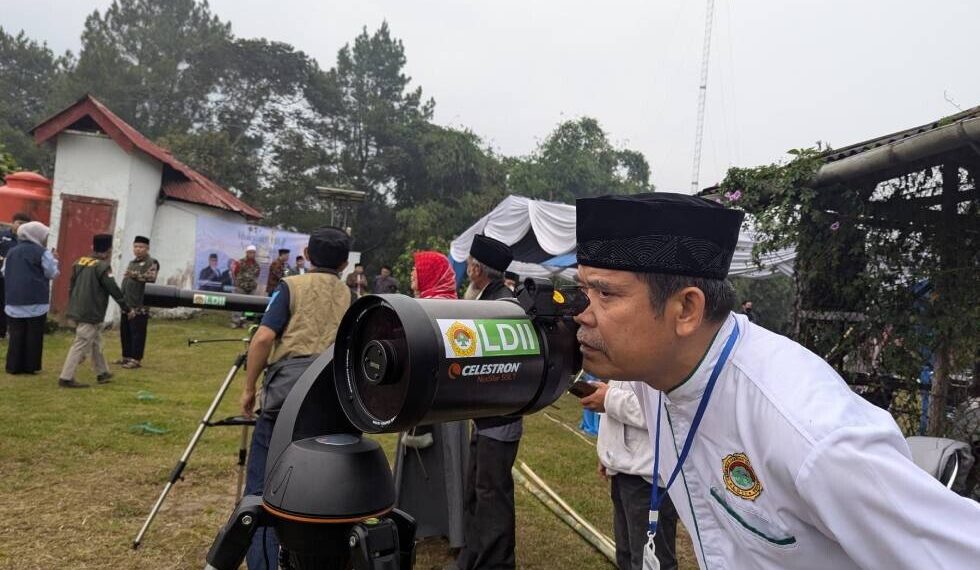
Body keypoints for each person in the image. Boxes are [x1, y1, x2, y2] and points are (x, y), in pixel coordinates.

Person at [572, 193, 980, 569]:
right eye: (582, 290)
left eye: (605, 295)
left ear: (686, 310)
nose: (580, 313)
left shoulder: (812, 435)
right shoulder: (658, 374)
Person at [239, 226, 353, 569]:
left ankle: (264, 561)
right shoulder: (351, 296)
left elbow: (262, 339)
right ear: (345, 264)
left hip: (285, 398)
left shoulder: (290, 287)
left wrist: (248, 388)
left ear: (306, 254)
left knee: (263, 486)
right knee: (326, 487)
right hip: (333, 400)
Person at [394, 251, 468, 550]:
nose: (412, 275)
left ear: (429, 275)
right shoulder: (433, 306)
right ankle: (436, 524)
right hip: (436, 400)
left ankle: (444, 526)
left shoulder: (432, 309)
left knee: (446, 463)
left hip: (439, 400)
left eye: (416, 270)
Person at [456, 234, 521, 570]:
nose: (468, 270)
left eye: (469, 265)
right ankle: (473, 556)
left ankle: (496, 562)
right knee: (475, 491)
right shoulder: (491, 298)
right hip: (485, 415)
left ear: (477, 269)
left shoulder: (500, 305)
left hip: (500, 416)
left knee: (492, 494)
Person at [580, 378, 678, 570]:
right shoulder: (629, 356)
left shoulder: (664, 358)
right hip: (625, 470)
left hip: (650, 478)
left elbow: (665, 411)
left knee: (651, 562)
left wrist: (608, 399)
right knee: (626, 555)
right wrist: (608, 448)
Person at [58, 234, 132, 388]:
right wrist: (126, 307)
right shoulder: (103, 266)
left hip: (78, 308)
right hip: (91, 311)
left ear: (93, 246)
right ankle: (66, 377)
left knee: (96, 341)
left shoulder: (79, 262)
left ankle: (102, 372)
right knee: (81, 343)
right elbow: (113, 288)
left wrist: (72, 305)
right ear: (109, 250)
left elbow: (71, 285)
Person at [3, 221, 58, 374]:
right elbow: (51, 273)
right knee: (33, 335)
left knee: (16, 334)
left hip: (14, 298)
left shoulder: (11, 252)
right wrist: (55, 259)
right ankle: (30, 366)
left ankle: (13, 366)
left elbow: (4, 271)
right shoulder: (42, 252)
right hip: (35, 299)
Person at [117, 236, 159, 369]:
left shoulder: (152, 262)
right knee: (125, 331)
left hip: (140, 304)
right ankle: (126, 356)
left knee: (137, 332)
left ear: (147, 249)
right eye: (136, 247)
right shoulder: (132, 262)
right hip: (127, 303)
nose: (138, 249)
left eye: (141, 247)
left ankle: (136, 359)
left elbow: (151, 278)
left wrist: (134, 275)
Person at [0, 212, 32, 340]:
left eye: (25, 224)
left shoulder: (27, 240)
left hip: (17, 277)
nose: (21, 226)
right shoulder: (3, 236)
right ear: (12, 223)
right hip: (1, 276)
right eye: (19, 223)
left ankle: (11, 330)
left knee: (12, 304)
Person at [231, 245, 261, 328]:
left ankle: (244, 322)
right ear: (247, 253)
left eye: (253, 253)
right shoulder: (240, 262)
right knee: (237, 305)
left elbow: (257, 275)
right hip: (241, 287)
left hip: (251, 289)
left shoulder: (257, 265)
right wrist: (240, 282)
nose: (252, 254)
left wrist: (251, 284)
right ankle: (235, 322)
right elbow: (235, 273)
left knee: (248, 307)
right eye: (250, 252)